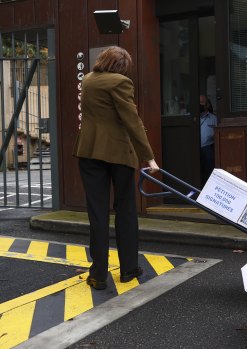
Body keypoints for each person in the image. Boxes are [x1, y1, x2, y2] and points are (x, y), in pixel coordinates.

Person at [73, 46, 159, 290]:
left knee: (97, 213)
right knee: (125, 210)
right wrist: (149, 157)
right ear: (122, 66)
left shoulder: (88, 80)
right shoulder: (121, 82)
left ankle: (98, 274)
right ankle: (128, 269)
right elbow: (131, 119)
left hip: (89, 152)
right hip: (119, 153)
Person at [199, 95, 217, 185]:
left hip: (208, 148)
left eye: (202, 102)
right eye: (198, 102)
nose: (200, 105)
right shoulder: (192, 118)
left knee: (209, 172)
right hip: (195, 149)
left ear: (207, 104)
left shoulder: (213, 118)